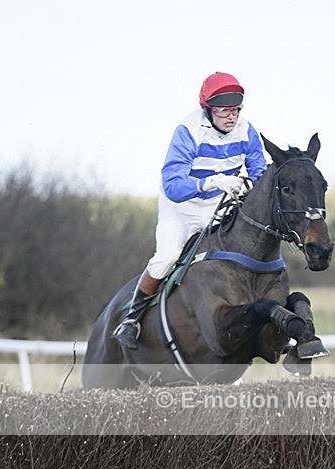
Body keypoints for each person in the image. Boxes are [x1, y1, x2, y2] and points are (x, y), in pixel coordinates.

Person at [114, 71, 268, 349]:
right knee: (167, 256)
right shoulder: (187, 131)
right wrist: (211, 181)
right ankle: (132, 318)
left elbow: (259, 170)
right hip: (182, 207)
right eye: (224, 111)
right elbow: (173, 185)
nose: (231, 117)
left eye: (236, 110)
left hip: (218, 205)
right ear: (207, 110)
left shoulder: (247, 130)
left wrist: (249, 184)